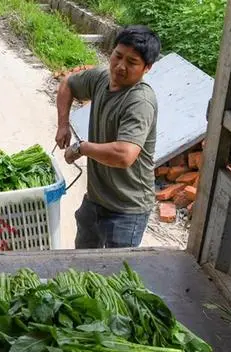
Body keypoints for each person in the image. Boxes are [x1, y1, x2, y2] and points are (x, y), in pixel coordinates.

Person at [55, 25, 161, 249]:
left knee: (114, 278)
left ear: (147, 68)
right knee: (82, 269)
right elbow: (67, 83)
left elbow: (124, 155)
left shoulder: (139, 101)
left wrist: (81, 148)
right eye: (118, 56)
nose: (120, 67)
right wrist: (63, 124)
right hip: (95, 200)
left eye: (132, 63)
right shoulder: (101, 78)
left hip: (127, 210)